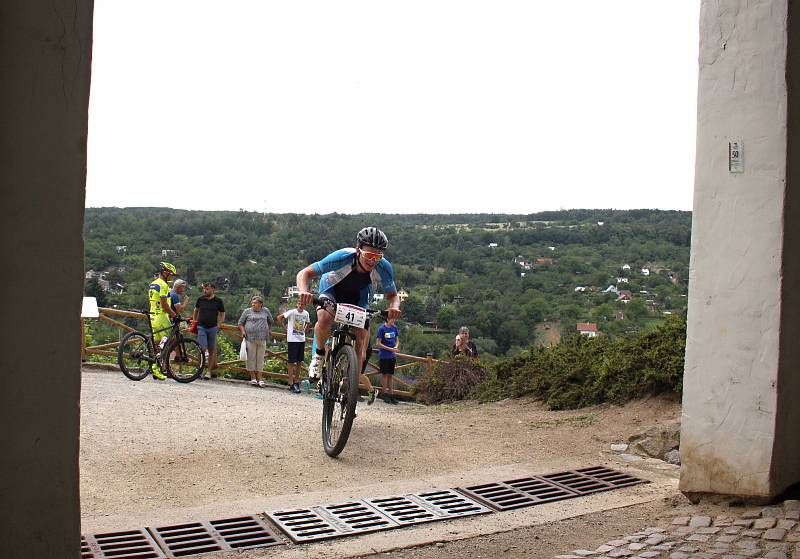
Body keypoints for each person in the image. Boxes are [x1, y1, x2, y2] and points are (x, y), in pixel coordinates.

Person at [297, 227, 401, 405]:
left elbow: (393, 296)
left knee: (362, 335)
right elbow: (304, 273)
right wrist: (304, 291)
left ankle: (352, 382)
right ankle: (319, 355)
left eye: (378, 257)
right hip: (332, 290)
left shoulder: (384, 268)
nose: (373, 261)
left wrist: (394, 307)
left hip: (359, 297)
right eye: (369, 255)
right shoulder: (342, 257)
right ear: (358, 249)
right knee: (324, 319)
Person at [148, 262, 178, 380]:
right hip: (162, 316)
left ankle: (154, 367)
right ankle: (162, 368)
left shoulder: (153, 284)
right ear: (165, 273)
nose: (172, 277)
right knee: (169, 341)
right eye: (171, 274)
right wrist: (174, 315)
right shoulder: (164, 285)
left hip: (152, 316)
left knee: (157, 344)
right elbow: (165, 304)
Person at [237, 295, 273, 387]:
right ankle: (253, 378)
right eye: (252, 303)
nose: (253, 304)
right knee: (251, 358)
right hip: (250, 338)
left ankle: (260, 379)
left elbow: (270, 321)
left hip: (262, 338)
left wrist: (269, 330)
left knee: (260, 359)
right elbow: (240, 323)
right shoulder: (247, 311)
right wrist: (243, 332)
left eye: (255, 303)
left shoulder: (265, 310)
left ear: (260, 304)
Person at [193, 282, 225, 379]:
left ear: (213, 290)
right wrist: (194, 321)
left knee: (212, 349)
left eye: (207, 289)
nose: (205, 290)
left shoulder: (218, 301)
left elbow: (222, 313)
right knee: (201, 348)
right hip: (201, 326)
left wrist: (219, 324)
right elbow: (196, 310)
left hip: (212, 327)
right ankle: (199, 369)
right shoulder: (201, 299)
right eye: (204, 289)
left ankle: (209, 371)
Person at [277, 299, 310, 393]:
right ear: (297, 304)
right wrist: (285, 329)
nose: (300, 305)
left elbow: (308, 323)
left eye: (302, 304)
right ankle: (291, 382)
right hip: (292, 339)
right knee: (291, 361)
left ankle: (296, 381)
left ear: (305, 305)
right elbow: (279, 318)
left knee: (299, 361)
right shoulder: (292, 312)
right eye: (299, 303)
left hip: (301, 339)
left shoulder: (306, 313)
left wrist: (304, 330)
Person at [375, 316, 400, 404]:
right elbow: (378, 343)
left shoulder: (394, 328)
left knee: (390, 375)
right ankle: (384, 394)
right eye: (393, 319)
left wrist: (396, 346)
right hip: (384, 355)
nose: (394, 320)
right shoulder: (381, 329)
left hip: (392, 356)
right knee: (384, 375)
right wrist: (390, 349)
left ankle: (391, 394)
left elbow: (397, 340)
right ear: (388, 319)